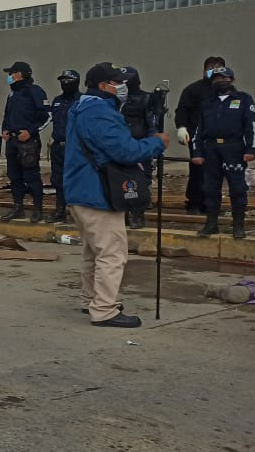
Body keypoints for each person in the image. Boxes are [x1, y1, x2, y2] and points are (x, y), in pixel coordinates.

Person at [65, 63, 167, 328]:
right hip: (98, 192)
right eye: (117, 82)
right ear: (103, 86)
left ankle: (91, 300)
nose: (123, 86)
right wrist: (157, 142)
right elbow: (124, 151)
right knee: (112, 253)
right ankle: (104, 310)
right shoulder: (99, 111)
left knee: (92, 252)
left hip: (81, 191)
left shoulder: (82, 107)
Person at [191, 66, 255, 239]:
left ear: (232, 80)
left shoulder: (243, 99)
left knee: (237, 188)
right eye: (216, 78)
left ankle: (238, 226)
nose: (219, 81)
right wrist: (196, 152)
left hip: (233, 148)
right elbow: (198, 129)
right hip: (211, 149)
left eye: (223, 78)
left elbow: (253, 125)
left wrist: (251, 149)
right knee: (210, 188)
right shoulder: (207, 102)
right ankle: (211, 224)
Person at [175, 56, 227, 215]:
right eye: (211, 67)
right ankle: (194, 203)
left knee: (217, 172)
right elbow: (182, 110)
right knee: (198, 172)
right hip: (199, 138)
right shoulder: (193, 89)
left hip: (221, 139)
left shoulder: (227, 91)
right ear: (204, 70)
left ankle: (211, 204)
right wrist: (182, 127)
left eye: (218, 67)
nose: (214, 70)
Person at [0, 61, 50, 222]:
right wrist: (5, 130)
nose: (9, 77)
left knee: (32, 176)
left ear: (19, 74)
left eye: (11, 73)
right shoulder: (12, 94)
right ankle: (18, 208)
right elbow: (7, 116)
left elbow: (47, 116)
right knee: (14, 177)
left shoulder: (35, 91)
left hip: (28, 142)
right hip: (12, 142)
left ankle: (37, 210)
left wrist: (30, 132)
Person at [120, 66, 157, 228]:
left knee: (140, 182)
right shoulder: (118, 100)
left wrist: (150, 147)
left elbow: (152, 124)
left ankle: (138, 214)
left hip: (139, 145)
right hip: (120, 145)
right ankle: (124, 214)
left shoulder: (146, 98)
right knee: (120, 181)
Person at [45, 70, 82, 223]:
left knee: (77, 180)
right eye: (62, 81)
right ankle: (60, 211)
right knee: (58, 180)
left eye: (68, 81)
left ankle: (79, 213)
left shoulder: (83, 100)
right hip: (58, 146)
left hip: (76, 147)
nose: (64, 84)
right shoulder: (57, 100)